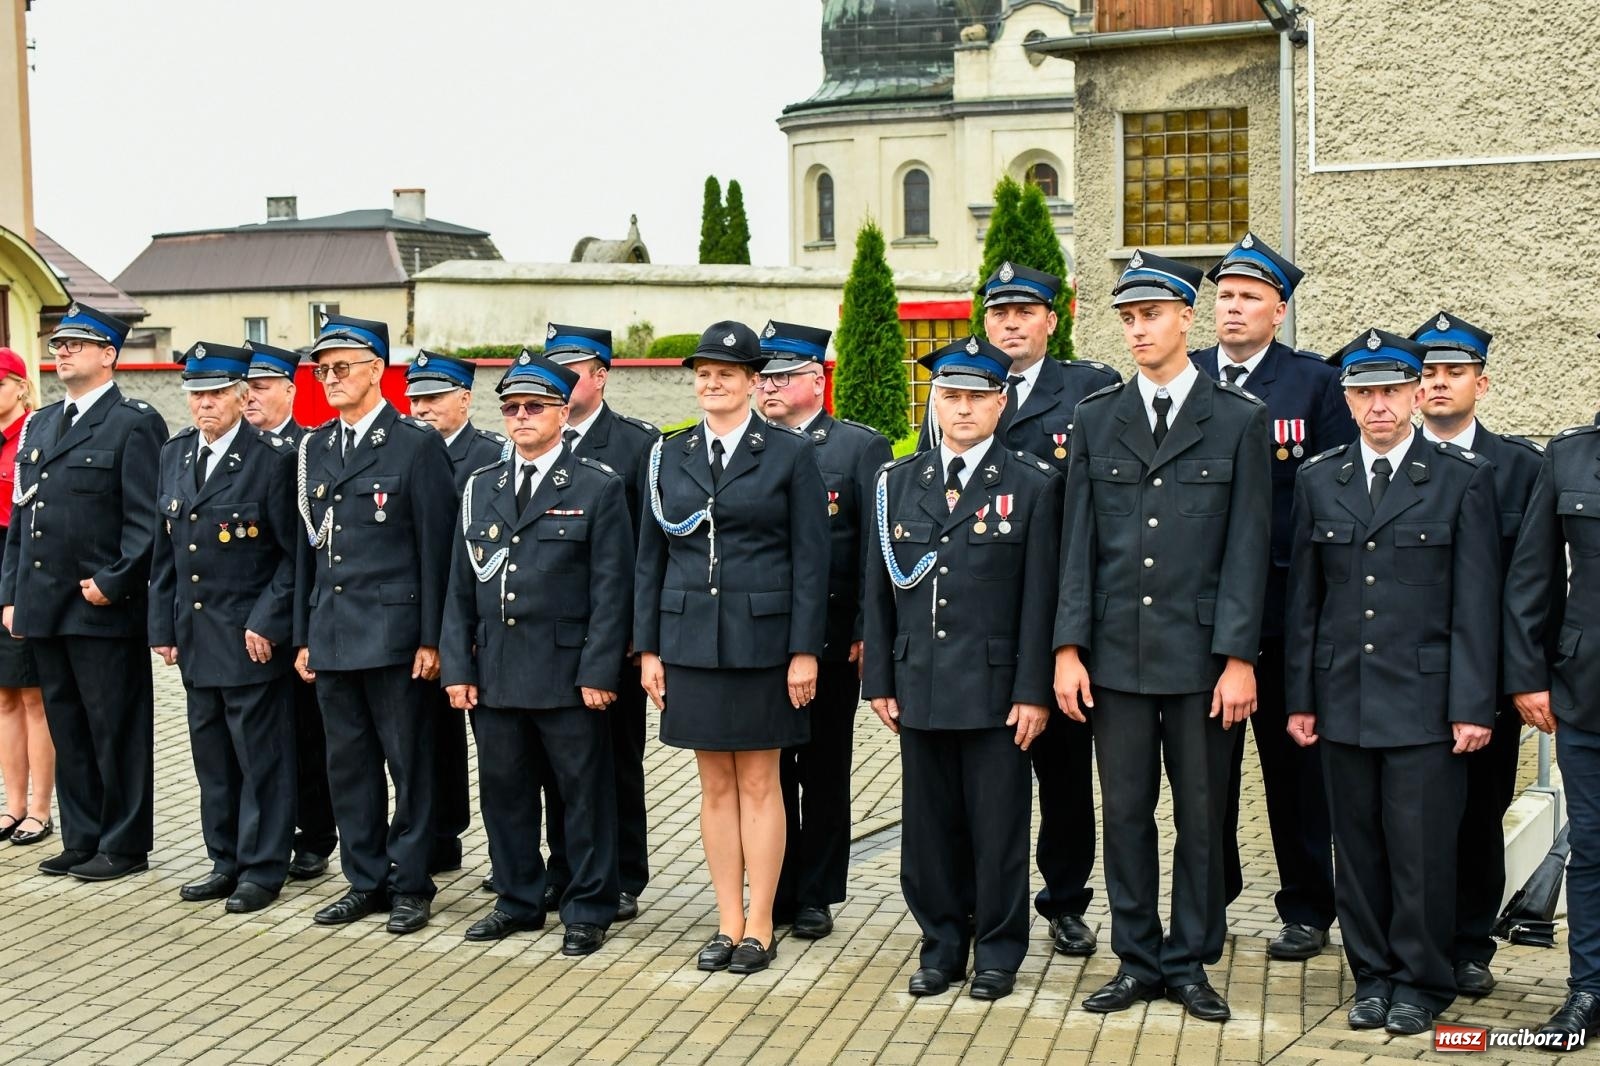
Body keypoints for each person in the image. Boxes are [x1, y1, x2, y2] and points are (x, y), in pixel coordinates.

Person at [1053, 251, 1270, 1022]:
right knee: (1128, 813)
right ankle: (1137, 959)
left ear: (1187, 319)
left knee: (1204, 818)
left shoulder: (1239, 421)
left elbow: (1248, 549)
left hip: (1203, 662)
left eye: (1152, 315)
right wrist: (1068, 649)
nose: (1139, 330)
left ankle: (1191, 961)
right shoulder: (1095, 417)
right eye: (1129, 318)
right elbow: (1077, 543)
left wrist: (1240, 659)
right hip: (1115, 658)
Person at [1285, 328, 1499, 1036]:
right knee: (1361, 849)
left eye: (1391, 391)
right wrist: (1302, 701)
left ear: (1413, 394)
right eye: (1364, 392)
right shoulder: (1321, 479)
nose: (1378, 405)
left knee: (1422, 853)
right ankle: (1371, 975)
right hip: (1343, 700)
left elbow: (1475, 606)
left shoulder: (1461, 479)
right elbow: (1305, 605)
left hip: (1426, 704)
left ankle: (1421, 981)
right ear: (1346, 399)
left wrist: (1472, 706)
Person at [917, 262, 1119, 958]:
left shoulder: (1088, 388)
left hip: (1060, 612)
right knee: (978, 784)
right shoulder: (953, 392)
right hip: (975, 626)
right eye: (998, 311)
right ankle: (973, 905)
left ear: (1051, 319)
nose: (1010, 322)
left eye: (1024, 311)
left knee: (1062, 774)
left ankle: (1064, 900)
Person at [864, 336, 1061, 1001]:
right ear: (936, 402)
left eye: (978, 396)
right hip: (919, 684)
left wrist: (1035, 691)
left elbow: (1042, 599)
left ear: (1000, 404)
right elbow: (878, 594)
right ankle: (941, 945)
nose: (963, 408)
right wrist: (880, 682)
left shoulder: (1033, 485)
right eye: (951, 396)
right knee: (927, 831)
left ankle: (1000, 953)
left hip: (997, 690)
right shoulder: (896, 483)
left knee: (999, 829)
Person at [634, 321, 828, 975]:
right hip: (689, 640)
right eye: (703, 373)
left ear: (752, 382)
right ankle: (725, 921)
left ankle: (761, 924)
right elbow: (649, 556)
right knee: (713, 785)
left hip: (764, 641)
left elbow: (812, 559)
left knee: (759, 781)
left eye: (726, 372)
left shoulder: (788, 455)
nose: (711, 382)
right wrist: (648, 649)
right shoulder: (669, 454)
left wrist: (806, 650)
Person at [1189, 233, 1354, 960]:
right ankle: (1208, 902)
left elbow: (1331, 501)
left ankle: (1308, 908)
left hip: (1285, 611)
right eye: (1224, 295)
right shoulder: (1186, 377)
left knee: (1295, 773)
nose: (1233, 308)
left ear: (1278, 310)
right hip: (1199, 612)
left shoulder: (1314, 385)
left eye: (1250, 297)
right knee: (1206, 775)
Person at [442, 353, 633, 955]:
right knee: (505, 791)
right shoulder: (481, 487)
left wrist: (600, 670)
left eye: (534, 407)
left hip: (568, 673)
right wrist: (458, 667)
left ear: (559, 412)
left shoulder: (596, 485)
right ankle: (518, 900)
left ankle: (586, 906)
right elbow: (458, 588)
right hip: (496, 671)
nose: (521, 417)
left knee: (582, 795)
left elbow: (612, 590)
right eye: (512, 409)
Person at [291, 313, 456, 934]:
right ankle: (364, 879)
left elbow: (437, 549)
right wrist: (304, 635)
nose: (328, 379)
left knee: (409, 764)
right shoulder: (316, 447)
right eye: (321, 369)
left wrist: (433, 637)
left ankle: (410, 880)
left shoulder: (415, 445)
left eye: (340, 368)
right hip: (333, 632)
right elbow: (310, 548)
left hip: (395, 637)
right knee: (349, 764)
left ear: (376, 371)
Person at [0, 303, 167, 882]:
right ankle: (82, 835)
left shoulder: (134, 421)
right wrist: (10, 592)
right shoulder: (42, 424)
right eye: (59, 342)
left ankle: (123, 844)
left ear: (109, 355)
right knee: (68, 724)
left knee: (114, 727)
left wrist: (115, 581)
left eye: (76, 343)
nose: (62, 351)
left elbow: (146, 520)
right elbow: (24, 518)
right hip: (45, 602)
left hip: (101, 607)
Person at [1411, 311, 1545, 999]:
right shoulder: (1385, 462)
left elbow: (1533, 583)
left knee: (1476, 818)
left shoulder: (1520, 469)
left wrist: (1523, 678)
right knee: (1403, 822)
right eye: (1428, 372)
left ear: (1481, 383)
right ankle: (1405, 944)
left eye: (1452, 372)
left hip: (1486, 682)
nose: (1438, 384)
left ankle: (1468, 945)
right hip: (1403, 680)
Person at [149, 343, 299, 912]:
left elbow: (292, 557)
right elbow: (167, 550)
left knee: (260, 759)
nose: (204, 404)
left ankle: (263, 869)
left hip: (249, 639)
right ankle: (225, 859)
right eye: (196, 394)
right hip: (195, 635)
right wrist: (162, 623)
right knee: (211, 756)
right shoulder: (177, 454)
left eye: (215, 393)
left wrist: (268, 620)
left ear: (242, 396)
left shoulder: (272, 459)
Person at [759, 320, 892, 940]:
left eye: (783, 376)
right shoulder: (752, 447)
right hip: (762, 636)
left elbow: (874, 548)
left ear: (818, 378)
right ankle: (775, 885)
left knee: (823, 765)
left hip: (834, 636)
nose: (769, 388)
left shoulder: (855, 448)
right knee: (768, 768)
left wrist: (869, 628)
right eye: (763, 377)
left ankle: (816, 891)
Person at [534, 324, 659, 920]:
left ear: (601, 375)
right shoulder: (529, 440)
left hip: (612, 635)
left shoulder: (636, 445)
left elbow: (649, 546)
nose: (563, 378)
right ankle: (566, 868)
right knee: (557, 764)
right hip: (546, 638)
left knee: (614, 760)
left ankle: (624, 871)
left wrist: (639, 631)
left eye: (574, 368)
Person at [1503, 406, 1600, 1048]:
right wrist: (1528, 673)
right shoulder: (1570, 454)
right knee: (1592, 847)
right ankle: (1589, 990)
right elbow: (1532, 576)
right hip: (1588, 687)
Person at [405, 350, 504, 877]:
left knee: (486, 748)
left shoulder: (489, 457)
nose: (421, 408)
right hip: (415, 622)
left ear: (464, 399)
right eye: (415, 397)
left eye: (433, 398)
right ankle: (436, 839)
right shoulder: (400, 451)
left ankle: (495, 852)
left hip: (469, 622)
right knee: (421, 739)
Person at [243, 340, 337, 881]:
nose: (251, 397)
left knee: (309, 733)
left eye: (261, 387)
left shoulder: (308, 450)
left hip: (298, 616)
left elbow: (306, 551)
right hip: (245, 625)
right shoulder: (240, 450)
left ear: (289, 390)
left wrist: (289, 622)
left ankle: (316, 834)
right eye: (246, 388)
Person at [0, 347, 53, 847]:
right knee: (3, 698)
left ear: (21, 386)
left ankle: (40, 809)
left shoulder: (36, 435)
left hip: (17, 565)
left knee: (34, 695)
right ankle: (12, 806)